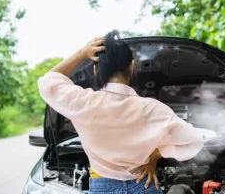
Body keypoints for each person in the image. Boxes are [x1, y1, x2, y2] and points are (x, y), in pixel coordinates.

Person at [37, 30, 204, 194]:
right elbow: (194, 141)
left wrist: (82, 53)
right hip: (144, 185)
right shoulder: (152, 109)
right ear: (132, 67)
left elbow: (47, 83)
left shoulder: (83, 102)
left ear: (96, 70)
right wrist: (154, 157)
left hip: (102, 188)